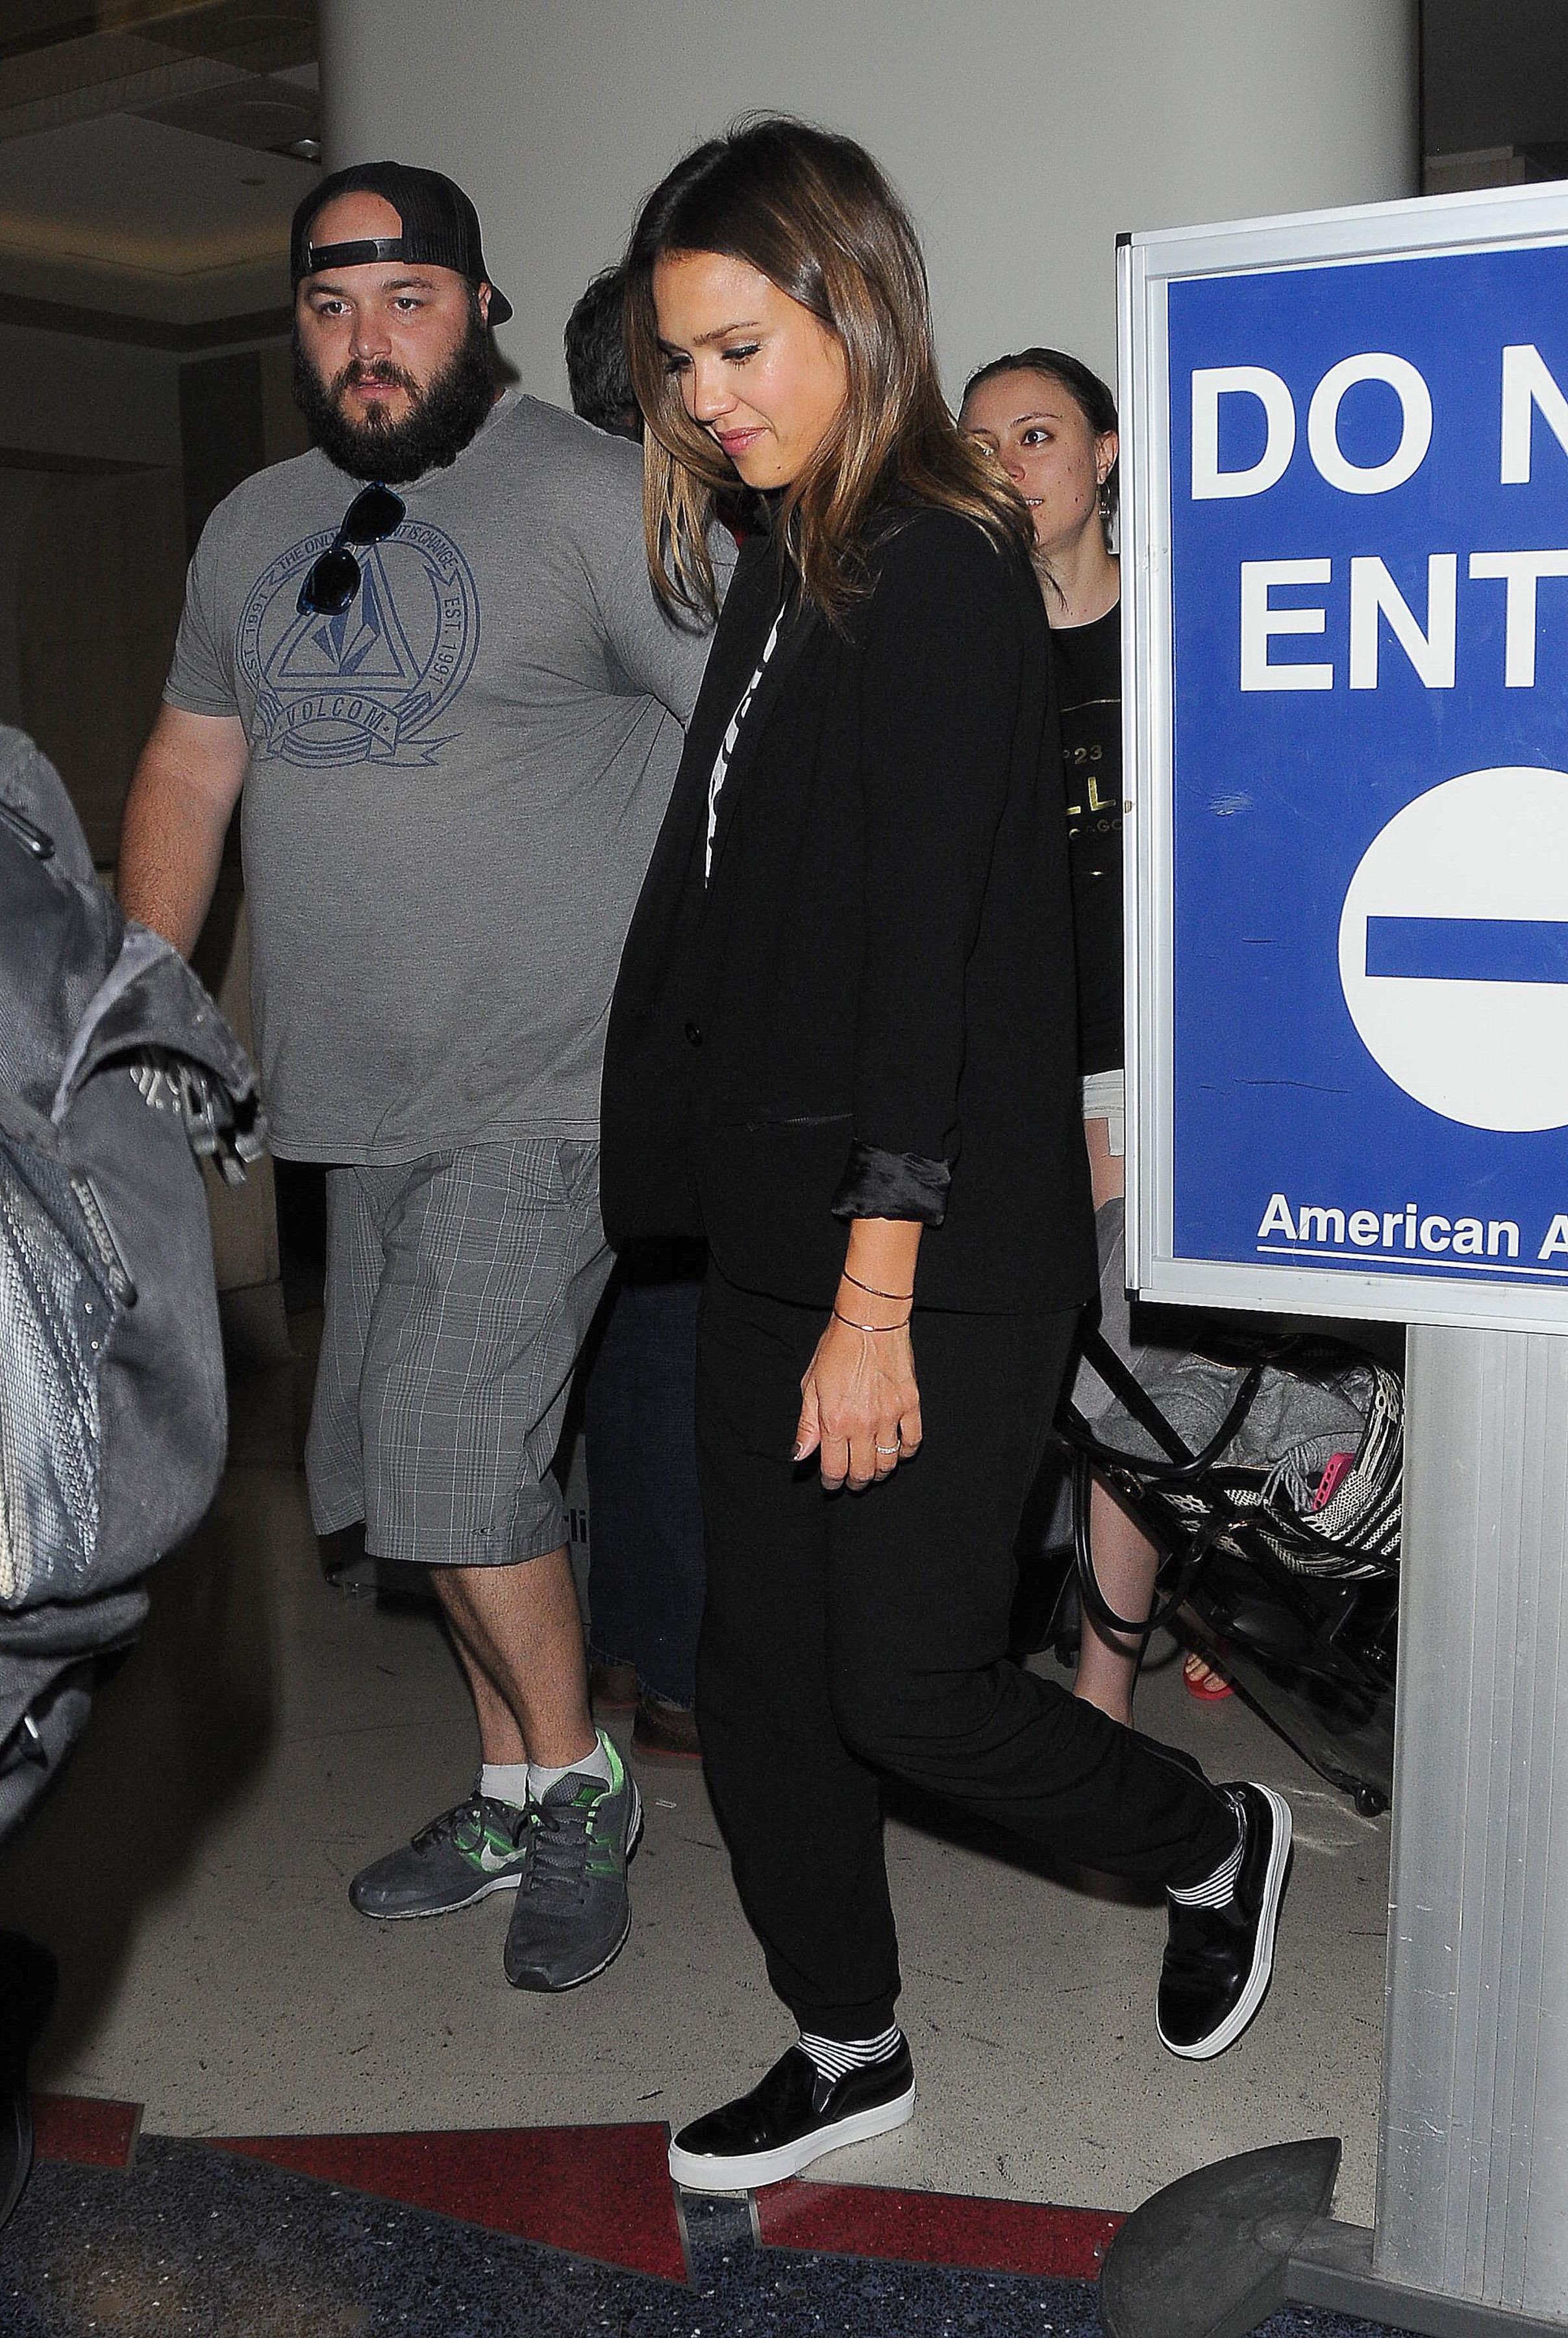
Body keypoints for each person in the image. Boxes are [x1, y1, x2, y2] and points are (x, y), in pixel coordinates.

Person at [601, 117, 1293, 2193]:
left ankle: (1211, 1839)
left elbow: (930, 956)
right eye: (680, 366)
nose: (710, 399)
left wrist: (878, 1289)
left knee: (901, 1684)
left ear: (851, 304)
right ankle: (845, 2039)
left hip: (931, 1245)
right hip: (764, 1224)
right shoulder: (783, 552)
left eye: (742, 346)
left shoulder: (937, 561)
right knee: (759, 1670)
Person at [118, 160, 718, 1993]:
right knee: (405, 1475)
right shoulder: (252, 529)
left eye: (404, 299)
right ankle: (510, 1773)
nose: (365, 343)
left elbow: (755, 764)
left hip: (551, 1093)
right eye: (327, 306)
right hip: (351, 1101)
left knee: (459, 1461)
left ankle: (586, 1792)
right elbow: (187, 770)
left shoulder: (599, 501)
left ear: (480, 303)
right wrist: (148, 993)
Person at [960, 349, 1230, 1718]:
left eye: (1040, 433)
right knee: (1033, 1369)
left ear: (1106, 453)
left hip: (1146, 1054)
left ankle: (1099, 1684)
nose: (1011, 467)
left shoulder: (1181, 628)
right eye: (984, 443)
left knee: (1127, 1366)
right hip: (1001, 1067)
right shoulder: (962, 644)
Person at [562, 263, 707, 1762]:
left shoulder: (561, 518)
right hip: (662, 1007)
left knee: (617, 1360)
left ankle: (626, 1650)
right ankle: (664, 1664)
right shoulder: (654, 541)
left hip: (580, 1011)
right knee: (663, 1349)